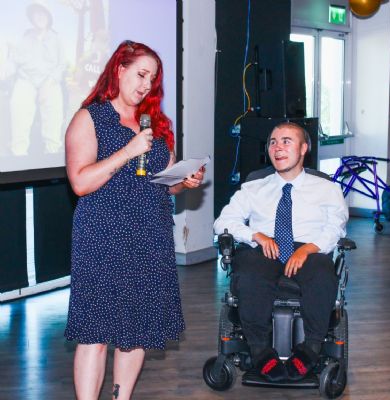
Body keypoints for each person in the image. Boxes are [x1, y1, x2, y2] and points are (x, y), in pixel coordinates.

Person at [64, 40, 205, 400]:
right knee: (95, 332)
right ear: (119, 69)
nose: (146, 85)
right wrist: (128, 151)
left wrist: (183, 180)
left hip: (151, 234)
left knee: (137, 329)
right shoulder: (90, 118)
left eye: (153, 79)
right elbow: (80, 183)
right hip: (103, 235)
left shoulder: (155, 124)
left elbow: (164, 182)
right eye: (141, 74)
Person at [214, 122, 348, 382]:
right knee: (249, 274)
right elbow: (223, 222)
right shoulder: (253, 188)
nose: (277, 147)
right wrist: (255, 235)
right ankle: (260, 351)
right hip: (265, 247)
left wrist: (309, 248)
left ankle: (310, 349)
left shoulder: (328, 189)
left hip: (310, 249)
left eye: (286, 141)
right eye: (273, 142)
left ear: (304, 149)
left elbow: (336, 227)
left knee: (322, 274)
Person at [9, 1, 65, 155]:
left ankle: (51, 152)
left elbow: (61, 65)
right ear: (32, 17)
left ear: (48, 17)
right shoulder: (25, 38)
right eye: (36, 13)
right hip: (26, 80)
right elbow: (14, 61)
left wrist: (49, 83)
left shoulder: (56, 39)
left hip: (50, 81)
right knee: (18, 104)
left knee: (54, 107)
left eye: (43, 13)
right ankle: (18, 154)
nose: (39, 16)